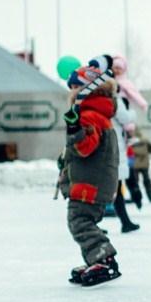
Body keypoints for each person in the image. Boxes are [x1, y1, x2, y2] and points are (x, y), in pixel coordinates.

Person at [59, 65, 121, 286]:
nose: (72, 91)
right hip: (93, 181)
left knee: (79, 221)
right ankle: (95, 258)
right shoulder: (98, 114)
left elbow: (85, 148)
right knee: (84, 221)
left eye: (75, 86)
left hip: (89, 184)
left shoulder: (89, 115)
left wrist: (74, 129)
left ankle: (103, 258)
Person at [125, 126, 151, 206]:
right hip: (144, 164)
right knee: (146, 180)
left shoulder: (129, 141)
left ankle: (135, 198)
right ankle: (149, 195)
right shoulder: (144, 139)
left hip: (135, 164)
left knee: (135, 182)